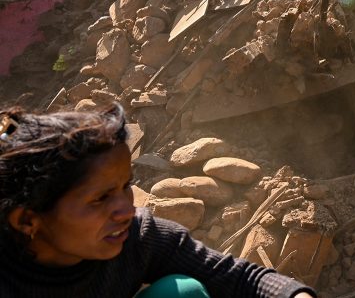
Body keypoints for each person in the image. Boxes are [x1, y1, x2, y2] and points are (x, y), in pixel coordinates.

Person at [0, 104, 315, 298]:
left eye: (126, 186)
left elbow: (236, 277)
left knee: (182, 293)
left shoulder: (135, 237)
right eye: (99, 199)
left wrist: (294, 295)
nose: (126, 209)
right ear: (27, 221)